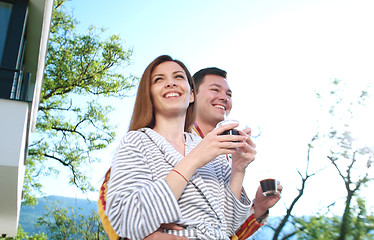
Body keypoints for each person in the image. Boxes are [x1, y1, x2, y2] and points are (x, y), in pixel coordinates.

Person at [103, 55, 255, 240]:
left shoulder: (210, 149)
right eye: (159, 79)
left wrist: (238, 168)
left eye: (179, 77)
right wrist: (193, 160)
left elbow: (227, 226)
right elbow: (127, 220)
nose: (171, 83)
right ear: (149, 94)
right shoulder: (136, 142)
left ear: (191, 95)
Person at [146, 67, 283, 240]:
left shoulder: (225, 156)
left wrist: (259, 208)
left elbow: (224, 229)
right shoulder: (162, 137)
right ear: (191, 95)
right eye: (215, 90)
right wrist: (143, 230)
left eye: (229, 94)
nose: (224, 98)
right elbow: (117, 201)